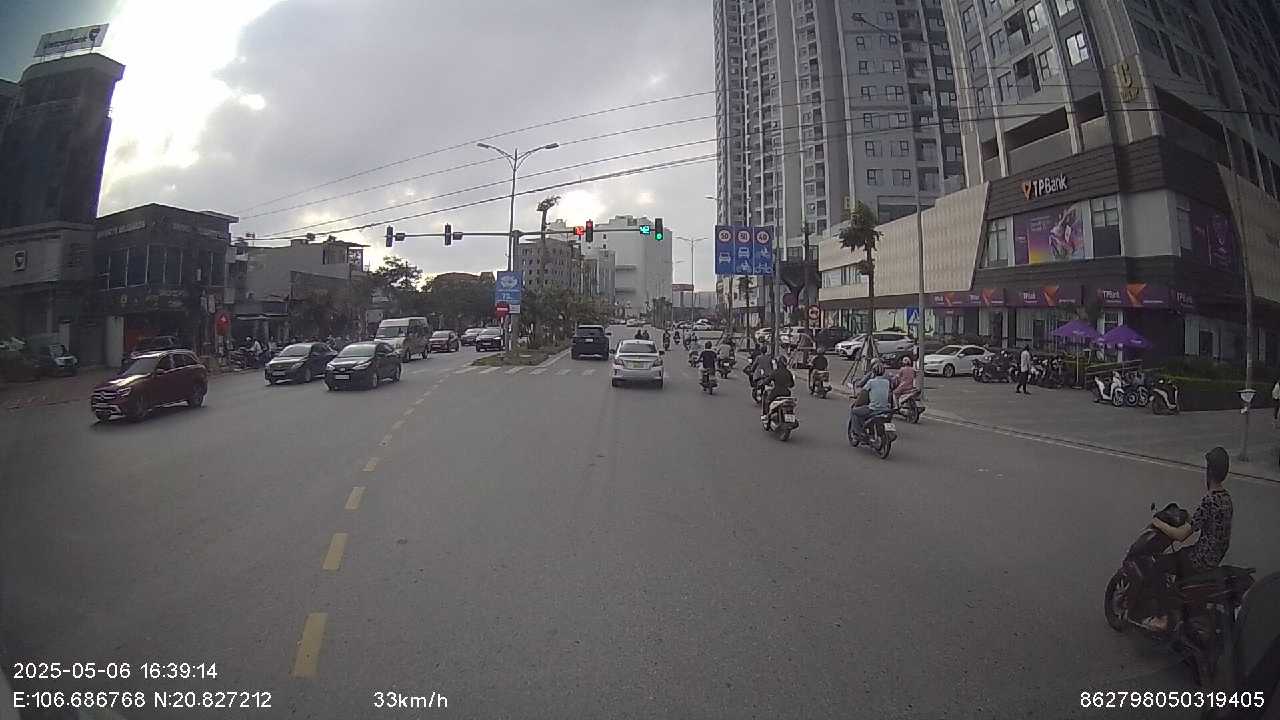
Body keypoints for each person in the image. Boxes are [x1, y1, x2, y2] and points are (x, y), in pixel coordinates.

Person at [1142, 446, 1235, 632]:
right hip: (1214, 557)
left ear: (1209, 471)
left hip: (1200, 559)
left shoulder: (1210, 500)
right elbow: (1209, 523)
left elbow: (1181, 536)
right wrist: (1187, 518)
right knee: (1179, 561)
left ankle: (1162, 618)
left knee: (1159, 565)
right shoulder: (1226, 499)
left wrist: (1158, 523)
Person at [850, 361, 892, 440]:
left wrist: (857, 398)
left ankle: (859, 433)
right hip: (885, 409)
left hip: (873, 409)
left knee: (854, 411)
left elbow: (863, 393)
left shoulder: (871, 382)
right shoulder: (887, 382)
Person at [761, 355, 795, 421]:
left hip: (776, 392)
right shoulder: (788, 372)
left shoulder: (775, 372)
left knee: (767, 401)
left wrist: (763, 383)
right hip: (787, 393)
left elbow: (767, 381)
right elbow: (792, 384)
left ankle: (766, 416)